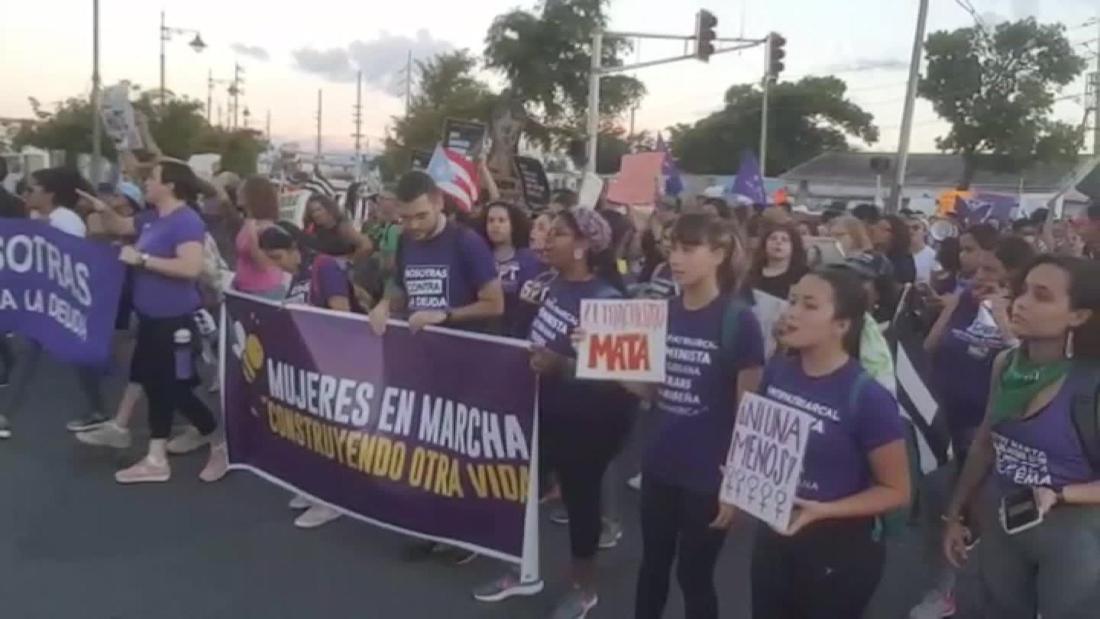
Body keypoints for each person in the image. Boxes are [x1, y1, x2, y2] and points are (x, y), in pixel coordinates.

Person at [474, 208, 635, 618]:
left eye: (559, 235)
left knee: (582, 504)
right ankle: (522, 570)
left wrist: (561, 366)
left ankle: (584, 589)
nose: (546, 241)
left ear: (582, 247)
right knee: (518, 489)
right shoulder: (554, 284)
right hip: (544, 409)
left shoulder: (607, 301)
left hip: (588, 424)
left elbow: (619, 377)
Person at [942, 255, 1100, 618]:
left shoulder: (1090, 384)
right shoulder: (1007, 364)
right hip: (1004, 518)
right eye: (1023, 290)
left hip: (1075, 534)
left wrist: (1060, 493)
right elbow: (985, 445)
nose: (1022, 302)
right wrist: (954, 515)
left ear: (1078, 316)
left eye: (1042, 296)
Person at [749, 267, 911, 619]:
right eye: (792, 301)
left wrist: (823, 510)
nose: (791, 312)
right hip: (774, 540)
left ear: (842, 324)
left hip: (838, 555)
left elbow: (896, 491)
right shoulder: (777, 370)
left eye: (809, 305)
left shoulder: (868, 397)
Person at [634, 214, 765, 619]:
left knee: (694, 575)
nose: (675, 258)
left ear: (719, 255)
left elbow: (750, 411)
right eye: (672, 247)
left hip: (708, 477)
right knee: (652, 566)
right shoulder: (662, 312)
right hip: (659, 465)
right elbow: (649, 391)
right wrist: (602, 358)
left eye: (688, 249)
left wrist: (737, 484)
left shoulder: (739, 321)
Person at [910, 236, 1034, 619]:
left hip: (987, 432)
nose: (979, 276)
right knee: (941, 508)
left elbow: (1028, 374)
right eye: (977, 268)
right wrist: (952, 308)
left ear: (1014, 276)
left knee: (981, 519)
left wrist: (1004, 322)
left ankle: (983, 593)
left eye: (991, 271)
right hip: (943, 425)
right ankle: (943, 588)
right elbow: (930, 347)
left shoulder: (1025, 315)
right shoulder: (966, 300)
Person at [82, 160, 226, 484]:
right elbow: (120, 227)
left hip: (174, 321)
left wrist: (143, 259)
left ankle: (217, 441)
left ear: (170, 186)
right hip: (150, 318)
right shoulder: (151, 218)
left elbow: (190, 268)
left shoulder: (187, 221)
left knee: (173, 389)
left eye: (152, 178)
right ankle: (156, 457)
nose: (146, 183)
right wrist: (102, 208)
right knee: (153, 383)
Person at [1, 167, 109, 440]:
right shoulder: (41, 217)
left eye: (32, 188)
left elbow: (72, 258)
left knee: (76, 354)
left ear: (49, 193)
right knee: (30, 352)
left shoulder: (66, 220)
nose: (26, 193)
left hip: (66, 301)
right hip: (47, 302)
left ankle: (98, 409)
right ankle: (5, 415)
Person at [369, 171, 503, 337]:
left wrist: (446, 315)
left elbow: (495, 305)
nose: (414, 225)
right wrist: (384, 305)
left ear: (439, 203)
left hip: (460, 349)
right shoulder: (404, 240)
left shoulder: (466, 242)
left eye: (421, 216)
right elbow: (401, 288)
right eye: (405, 217)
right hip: (417, 347)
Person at [480, 201, 544, 338]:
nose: (495, 225)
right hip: (481, 333)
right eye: (490, 220)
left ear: (513, 225)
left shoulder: (529, 259)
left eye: (502, 220)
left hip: (515, 337)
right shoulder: (478, 256)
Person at [231, 176, 285, 299]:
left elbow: (264, 264)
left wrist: (252, 237)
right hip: (244, 288)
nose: (238, 192)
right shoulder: (248, 221)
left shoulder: (266, 226)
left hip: (263, 291)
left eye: (242, 190)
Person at [748, 221, 809, 300]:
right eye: (773, 238)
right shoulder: (752, 274)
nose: (778, 242)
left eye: (785, 240)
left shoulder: (803, 276)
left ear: (794, 247)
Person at [872, 214, 917, 284]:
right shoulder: (871, 256)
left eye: (885, 230)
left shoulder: (903, 262)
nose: (878, 232)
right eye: (877, 228)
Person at [905, 214, 938, 284]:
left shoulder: (934, 256)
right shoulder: (897, 254)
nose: (910, 231)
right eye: (906, 228)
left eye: (915, 228)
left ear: (925, 232)